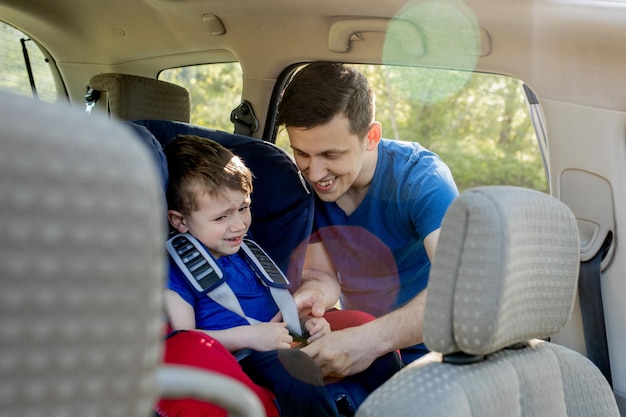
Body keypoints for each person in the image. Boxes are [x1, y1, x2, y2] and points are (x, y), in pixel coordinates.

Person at [161, 134, 400, 417]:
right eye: (221, 217)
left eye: (243, 208)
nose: (239, 224)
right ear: (179, 221)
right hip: (243, 357)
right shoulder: (177, 270)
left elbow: (282, 307)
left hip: (285, 341)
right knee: (294, 369)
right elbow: (185, 340)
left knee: (376, 350)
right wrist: (249, 337)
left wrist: (310, 323)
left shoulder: (248, 253)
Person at [276, 62, 459, 377]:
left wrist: (368, 341)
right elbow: (324, 273)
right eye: (302, 154)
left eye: (331, 155)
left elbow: (457, 285)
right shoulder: (301, 187)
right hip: (362, 347)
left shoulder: (422, 180)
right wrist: (316, 292)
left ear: (371, 137)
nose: (315, 174)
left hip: (438, 354)